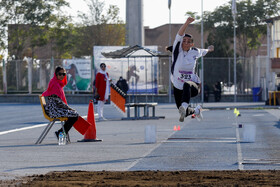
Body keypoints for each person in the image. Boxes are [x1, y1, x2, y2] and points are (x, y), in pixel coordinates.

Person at [170, 17, 214, 122]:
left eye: (188, 41)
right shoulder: (177, 51)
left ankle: (184, 106)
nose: (185, 43)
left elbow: (204, 51)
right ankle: (197, 111)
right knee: (183, 114)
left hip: (192, 87)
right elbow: (179, 35)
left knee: (187, 84)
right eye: (184, 41)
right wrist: (187, 22)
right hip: (177, 87)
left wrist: (209, 49)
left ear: (192, 44)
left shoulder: (195, 51)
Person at [42, 66, 79, 139]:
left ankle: (61, 132)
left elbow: (59, 102)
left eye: (64, 74)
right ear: (56, 74)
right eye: (60, 74)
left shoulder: (58, 83)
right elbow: (58, 102)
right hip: (53, 110)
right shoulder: (55, 84)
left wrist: (69, 109)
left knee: (73, 114)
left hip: (56, 108)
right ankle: (60, 133)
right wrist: (69, 108)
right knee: (75, 115)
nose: (62, 76)